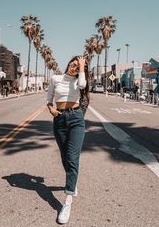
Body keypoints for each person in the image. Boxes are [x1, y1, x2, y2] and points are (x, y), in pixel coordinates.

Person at [46, 56, 89, 224]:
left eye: (77, 66)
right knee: (64, 157)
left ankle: (68, 201)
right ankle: (73, 181)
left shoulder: (79, 81)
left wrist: (82, 68)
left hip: (77, 118)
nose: (74, 68)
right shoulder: (56, 78)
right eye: (72, 64)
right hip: (60, 119)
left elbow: (83, 85)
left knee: (72, 157)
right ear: (67, 64)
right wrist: (50, 109)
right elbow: (49, 99)